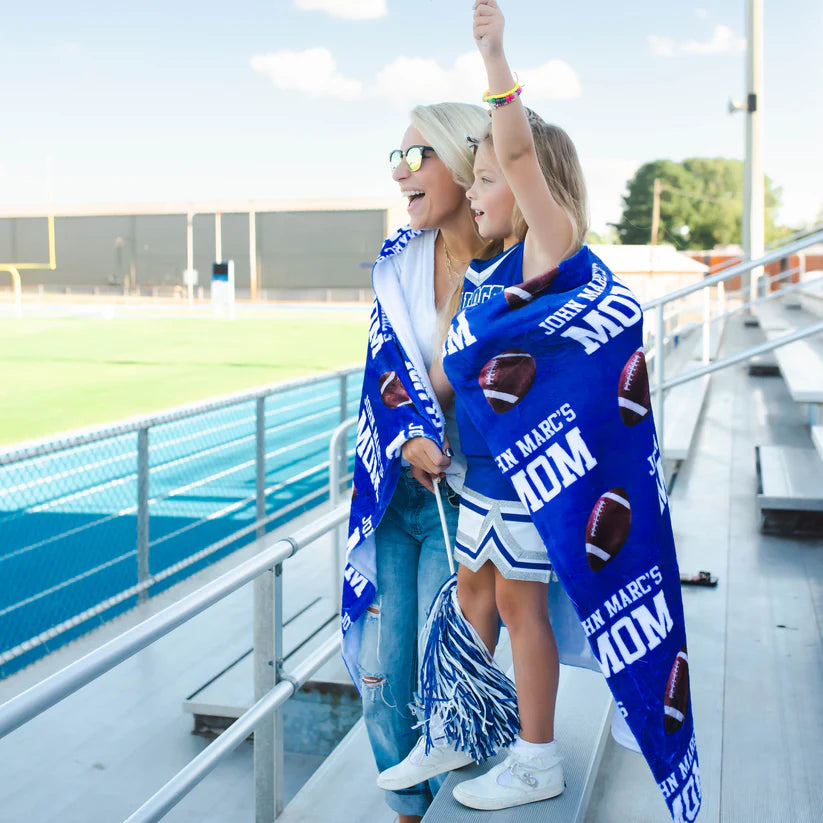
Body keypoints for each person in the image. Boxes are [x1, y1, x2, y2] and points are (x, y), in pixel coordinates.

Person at [376, 1, 589, 811]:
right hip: (482, 473)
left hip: (522, 471)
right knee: (474, 594)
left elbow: (519, 154)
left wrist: (495, 58)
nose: (478, 192)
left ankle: (536, 756)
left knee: (514, 601)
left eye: (489, 179)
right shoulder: (487, 270)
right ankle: (459, 722)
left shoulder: (545, 248)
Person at [342, 101, 497, 823]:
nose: (398, 172)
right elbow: (382, 369)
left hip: (463, 504)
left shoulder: (513, 269)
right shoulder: (397, 263)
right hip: (391, 499)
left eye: (414, 158)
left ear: (465, 164)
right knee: (383, 682)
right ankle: (406, 814)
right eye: (395, 159)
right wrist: (407, 434)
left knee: (443, 676)